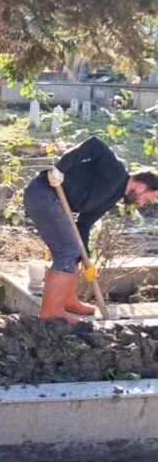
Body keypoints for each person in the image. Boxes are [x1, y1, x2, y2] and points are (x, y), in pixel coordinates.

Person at [24, 135, 158, 324]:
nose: (144, 204)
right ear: (141, 186)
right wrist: (60, 168)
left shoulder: (111, 198)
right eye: (148, 198)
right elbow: (94, 145)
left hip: (54, 203)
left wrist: (87, 260)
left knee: (75, 252)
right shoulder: (117, 173)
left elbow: (83, 226)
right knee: (68, 251)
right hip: (43, 194)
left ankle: (69, 301)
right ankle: (51, 312)